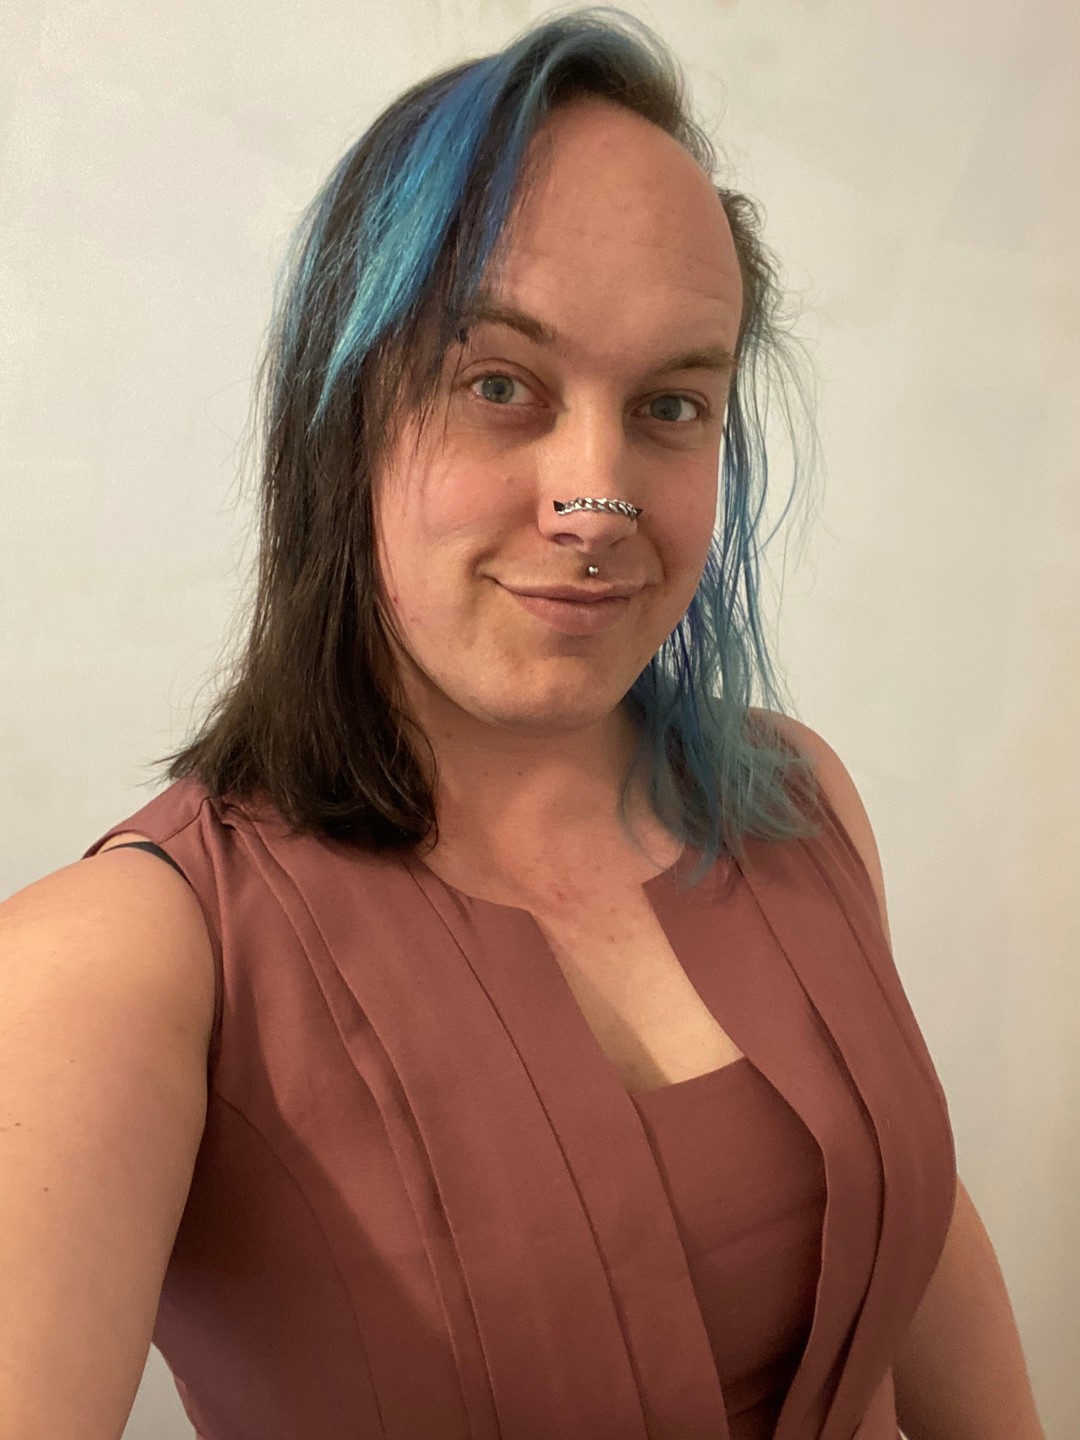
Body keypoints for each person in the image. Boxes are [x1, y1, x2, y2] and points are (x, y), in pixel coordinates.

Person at [0, 8, 1045, 1440]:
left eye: (671, 404)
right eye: (500, 385)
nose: (594, 501)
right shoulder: (120, 967)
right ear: (338, 413)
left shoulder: (797, 803)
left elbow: (914, 1243)